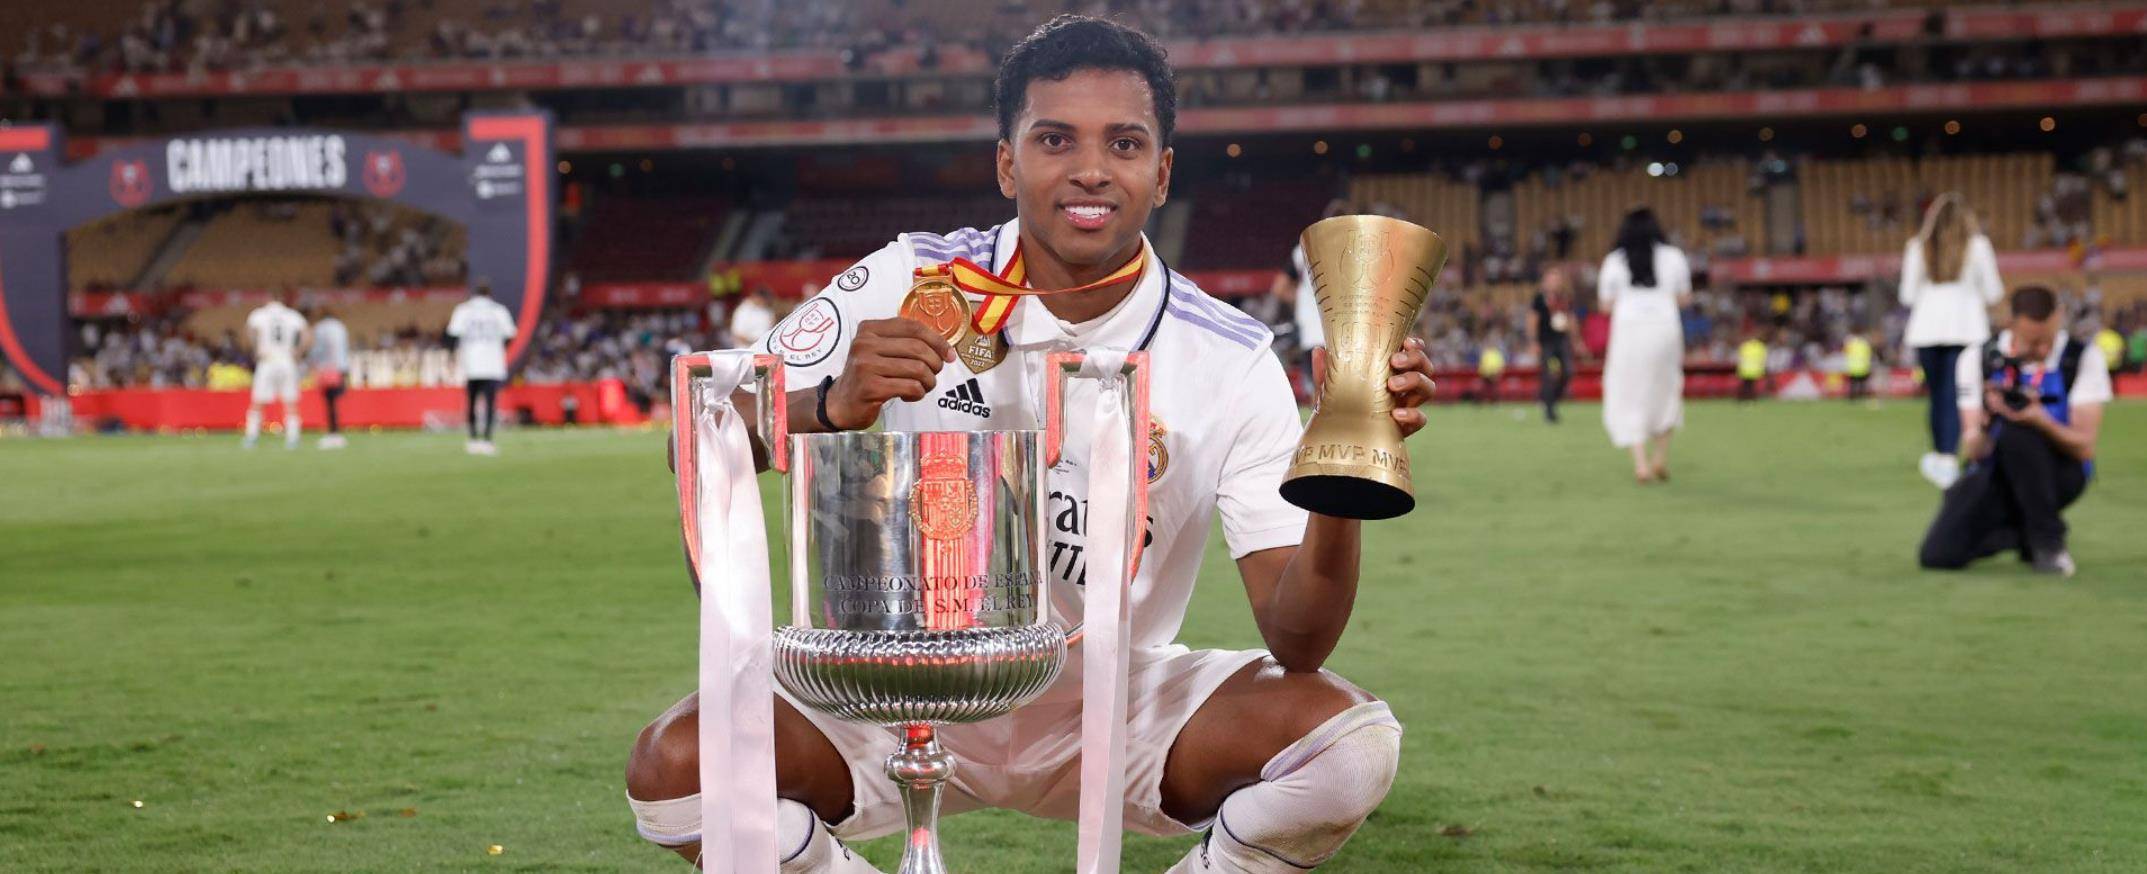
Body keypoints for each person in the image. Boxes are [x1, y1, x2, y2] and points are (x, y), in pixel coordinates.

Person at [625, 17, 1434, 874]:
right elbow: (694, 440)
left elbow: (1298, 640)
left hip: (1109, 698)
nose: (1090, 169)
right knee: (678, 773)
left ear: (1161, 174)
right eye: (1055, 140)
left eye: (1124, 143)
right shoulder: (909, 278)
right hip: (900, 681)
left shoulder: (1228, 356)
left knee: (1347, 748)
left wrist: (1343, 463)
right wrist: (827, 403)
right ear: (1007, 164)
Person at [1918, 286, 2108, 577]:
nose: (2041, 350)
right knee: (1938, 554)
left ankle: (2048, 543)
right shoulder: (1977, 358)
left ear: (2058, 318)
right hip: (1997, 472)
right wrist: (1988, 421)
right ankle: (2024, 534)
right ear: (2011, 324)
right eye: (2032, 342)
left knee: (2018, 431)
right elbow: (1973, 450)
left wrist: (2040, 420)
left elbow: (2084, 447)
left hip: (2060, 472)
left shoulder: (2081, 358)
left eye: (2047, 340)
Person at [1899, 193, 2002, 489]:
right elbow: (1993, 292)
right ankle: (1947, 455)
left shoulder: (1918, 246)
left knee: (1938, 395)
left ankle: (1941, 453)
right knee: (1958, 395)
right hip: (1967, 328)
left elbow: (1907, 295)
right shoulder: (1979, 246)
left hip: (1927, 329)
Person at [1598, 207, 1691, 484]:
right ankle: (1659, 456)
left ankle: (1641, 464)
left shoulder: (1614, 261)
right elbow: (1684, 298)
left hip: (1629, 330)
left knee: (1627, 393)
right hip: (1665, 327)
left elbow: (1605, 305)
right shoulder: (1673, 257)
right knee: (1667, 390)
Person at [1275, 199, 1350, 401]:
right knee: (1343, 388)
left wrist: (1301, 301)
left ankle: (1317, 419)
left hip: (1312, 328)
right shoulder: (1354, 252)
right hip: (1344, 329)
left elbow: (1279, 288)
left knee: (1316, 388)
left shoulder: (1304, 250)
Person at [446, 281, 517, 455]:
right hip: (492, 363)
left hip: (471, 363)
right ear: (489, 294)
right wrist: (497, 348)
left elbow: (452, 335)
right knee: (491, 403)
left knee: (471, 402)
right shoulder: (498, 310)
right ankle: (487, 440)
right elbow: (510, 335)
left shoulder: (463, 310)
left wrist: (452, 357)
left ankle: (472, 439)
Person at [241, 293, 311, 450]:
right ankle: (293, 437)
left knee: (258, 401)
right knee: (290, 401)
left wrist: (255, 347)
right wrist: (298, 352)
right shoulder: (292, 315)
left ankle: (251, 436)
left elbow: (249, 330)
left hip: (267, 360)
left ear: (268, 300)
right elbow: (306, 334)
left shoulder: (259, 314)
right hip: (287, 360)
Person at [1531, 266, 1575, 423]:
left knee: (1568, 371)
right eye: (1551, 279)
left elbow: (1570, 318)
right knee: (1548, 374)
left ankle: (1551, 398)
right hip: (1546, 341)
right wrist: (1534, 341)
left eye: (1556, 279)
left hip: (1561, 340)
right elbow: (1533, 320)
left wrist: (1575, 338)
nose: (1554, 282)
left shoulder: (1565, 298)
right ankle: (1549, 411)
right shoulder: (1539, 299)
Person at [309, 305, 350, 449]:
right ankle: (335, 432)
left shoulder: (320, 328)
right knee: (335, 402)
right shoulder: (340, 327)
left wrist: (313, 364)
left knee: (330, 403)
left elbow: (319, 349)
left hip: (328, 369)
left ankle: (333, 433)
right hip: (341, 367)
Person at [1843, 329, 1874, 401]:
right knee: (1862, 383)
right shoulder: (1865, 343)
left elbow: (1845, 351)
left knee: (1853, 383)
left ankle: (1852, 397)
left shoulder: (1851, 343)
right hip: (1863, 366)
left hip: (1853, 366)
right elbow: (1869, 354)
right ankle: (1861, 396)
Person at [1736, 332, 1767, 402]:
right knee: (1751, 385)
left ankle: (1743, 398)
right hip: (1754, 370)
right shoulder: (1760, 346)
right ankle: (1750, 398)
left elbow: (1740, 358)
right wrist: (1762, 369)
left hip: (1745, 369)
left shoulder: (1745, 346)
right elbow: (1763, 359)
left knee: (1746, 385)